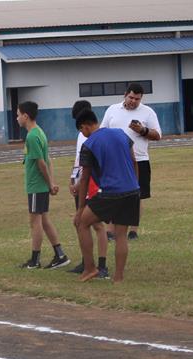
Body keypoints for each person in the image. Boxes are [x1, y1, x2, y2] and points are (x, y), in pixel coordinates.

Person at [73, 109, 140, 283]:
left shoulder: (88, 145)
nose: (83, 135)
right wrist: (135, 184)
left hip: (111, 192)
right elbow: (134, 160)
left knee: (82, 223)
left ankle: (89, 268)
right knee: (121, 235)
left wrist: (80, 209)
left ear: (85, 126)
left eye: (81, 131)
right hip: (132, 190)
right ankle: (118, 278)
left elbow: (85, 178)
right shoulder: (120, 133)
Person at [100, 82, 161, 240]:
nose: (133, 101)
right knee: (113, 194)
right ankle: (110, 230)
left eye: (137, 99)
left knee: (137, 195)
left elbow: (158, 135)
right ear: (125, 95)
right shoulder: (112, 110)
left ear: (142, 99)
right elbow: (102, 131)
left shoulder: (148, 112)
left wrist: (143, 130)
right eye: (131, 97)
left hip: (139, 159)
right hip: (115, 160)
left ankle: (133, 230)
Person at [16, 101, 70, 270]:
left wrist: (49, 183)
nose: (17, 118)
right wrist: (51, 183)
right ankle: (60, 255)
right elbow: (48, 160)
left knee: (35, 222)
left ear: (25, 116)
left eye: (18, 115)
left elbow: (41, 163)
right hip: (41, 186)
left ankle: (35, 260)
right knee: (45, 221)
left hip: (36, 186)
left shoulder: (32, 136)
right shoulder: (40, 132)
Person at [68, 100, 109, 279]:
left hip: (90, 183)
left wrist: (81, 182)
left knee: (95, 224)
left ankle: (100, 265)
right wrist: (73, 177)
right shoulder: (82, 134)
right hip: (81, 182)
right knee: (82, 222)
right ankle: (87, 262)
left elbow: (90, 164)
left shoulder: (91, 135)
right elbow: (78, 160)